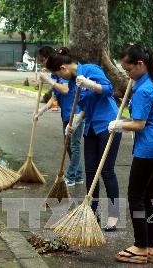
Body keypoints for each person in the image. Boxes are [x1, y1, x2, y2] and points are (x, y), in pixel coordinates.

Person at [46, 48, 121, 231]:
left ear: (63, 68)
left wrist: (88, 83)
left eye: (59, 74)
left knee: (106, 171)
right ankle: (91, 212)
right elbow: (85, 107)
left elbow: (109, 90)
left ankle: (113, 214)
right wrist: (75, 123)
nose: (61, 78)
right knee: (89, 171)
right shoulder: (72, 84)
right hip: (91, 128)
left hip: (108, 125)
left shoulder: (91, 70)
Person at [110, 45, 153, 264]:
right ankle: (152, 246)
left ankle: (140, 247)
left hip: (148, 150)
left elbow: (139, 124)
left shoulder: (144, 89)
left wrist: (119, 125)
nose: (128, 74)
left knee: (136, 198)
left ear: (140, 64)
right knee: (150, 197)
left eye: (129, 70)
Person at [34, 46, 84, 186]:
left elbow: (65, 89)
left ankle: (70, 176)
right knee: (68, 146)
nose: (43, 64)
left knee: (74, 146)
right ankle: (78, 176)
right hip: (66, 114)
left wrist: (48, 81)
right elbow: (54, 97)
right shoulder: (56, 75)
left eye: (43, 60)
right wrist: (40, 112)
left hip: (77, 112)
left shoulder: (65, 72)